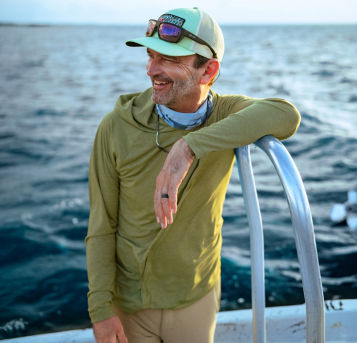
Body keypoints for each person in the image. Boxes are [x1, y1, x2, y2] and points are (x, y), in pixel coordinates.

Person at [86, 7, 300, 343]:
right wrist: (100, 310)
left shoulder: (225, 116)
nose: (152, 70)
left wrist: (189, 146)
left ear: (208, 71)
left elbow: (285, 115)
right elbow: (101, 226)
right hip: (129, 303)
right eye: (151, 55)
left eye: (169, 59)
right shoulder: (116, 127)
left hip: (197, 297)